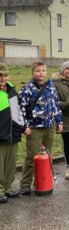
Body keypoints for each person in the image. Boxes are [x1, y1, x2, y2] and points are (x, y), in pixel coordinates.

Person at [19, 62, 63, 195]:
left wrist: (59, 121)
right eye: (38, 71)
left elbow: (56, 104)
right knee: (32, 156)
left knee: (47, 155)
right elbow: (20, 109)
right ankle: (25, 184)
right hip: (34, 128)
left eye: (43, 70)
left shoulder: (51, 87)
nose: (41, 73)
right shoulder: (27, 88)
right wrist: (24, 126)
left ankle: (43, 180)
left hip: (49, 126)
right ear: (33, 73)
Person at [0, 64, 25, 203]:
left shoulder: (11, 90)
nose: (2, 78)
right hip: (0, 135)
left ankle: (8, 187)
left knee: (10, 163)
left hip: (12, 134)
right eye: (0, 75)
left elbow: (17, 112)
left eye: (5, 75)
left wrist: (23, 127)